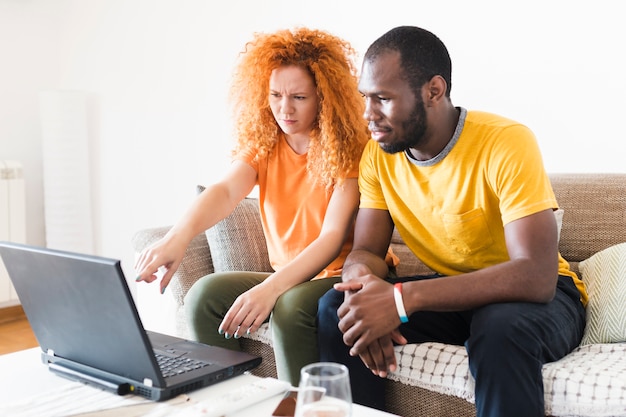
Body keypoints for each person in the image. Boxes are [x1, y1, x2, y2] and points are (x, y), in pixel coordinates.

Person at [317, 26, 587, 417]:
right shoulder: (379, 156)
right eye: (366, 97)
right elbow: (366, 251)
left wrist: (401, 299)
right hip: (457, 295)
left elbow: (536, 276)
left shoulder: (505, 141)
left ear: (434, 90)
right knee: (337, 307)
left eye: (383, 98)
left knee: (500, 329)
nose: (368, 114)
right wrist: (362, 289)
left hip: (540, 298)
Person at [134, 27, 374, 386]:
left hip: (341, 277)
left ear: (325, 97)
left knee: (291, 306)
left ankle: (296, 407)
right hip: (292, 276)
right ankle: (226, 402)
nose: (284, 108)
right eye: (276, 95)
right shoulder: (267, 143)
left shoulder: (350, 150)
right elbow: (225, 192)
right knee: (203, 295)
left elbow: (331, 237)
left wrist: (272, 288)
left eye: (299, 97)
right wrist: (178, 237)